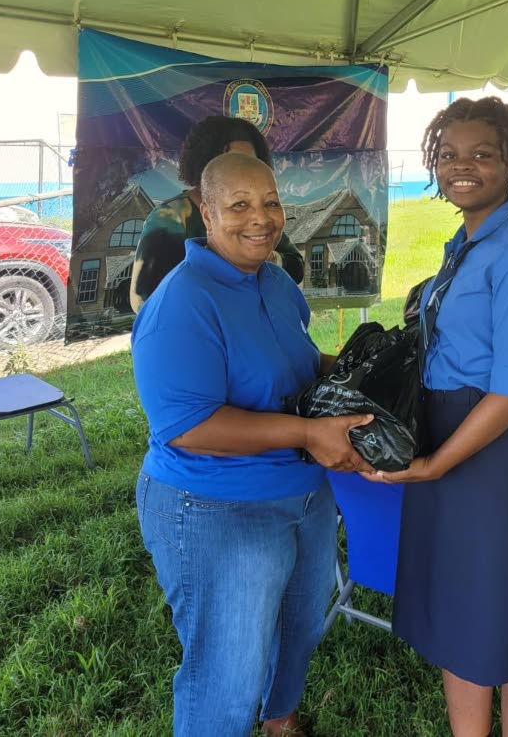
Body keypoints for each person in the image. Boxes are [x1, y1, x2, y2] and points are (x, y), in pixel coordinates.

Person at [131, 152, 373, 737]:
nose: (259, 219)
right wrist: (308, 433)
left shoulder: (274, 279)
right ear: (205, 213)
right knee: (227, 671)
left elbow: (297, 361)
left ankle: (280, 722)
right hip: (217, 508)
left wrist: (363, 368)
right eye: (238, 205)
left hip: (303, 495)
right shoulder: (183, 301)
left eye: (270, 203)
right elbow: (188, 425)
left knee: (299, 628)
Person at [362, 97, 508, 737]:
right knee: (459, 607)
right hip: (446, 432)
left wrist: (433, 465)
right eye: (448, 155)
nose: (461, 167)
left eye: (481, 153)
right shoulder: (468, 243)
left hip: (490, 446)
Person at [129, 115, 304, 312]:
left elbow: (296, 267)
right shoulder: (170, 219)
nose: (242, 171)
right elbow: (145, 300)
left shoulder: (260, 217)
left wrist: (268, 260)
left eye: (249, 162)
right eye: (230, 161)